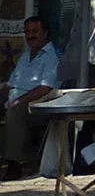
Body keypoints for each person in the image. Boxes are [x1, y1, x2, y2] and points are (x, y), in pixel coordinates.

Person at [0, 16, 60, 180]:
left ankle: (14, 165)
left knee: (15, 112)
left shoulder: (51, 56)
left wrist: (20, 100)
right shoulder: (26, 55)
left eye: (35, 31)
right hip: (14, 100)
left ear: (45, 33)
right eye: (27, 32)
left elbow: (45, 88)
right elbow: (11, 84)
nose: (30, 36)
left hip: (37, 104)